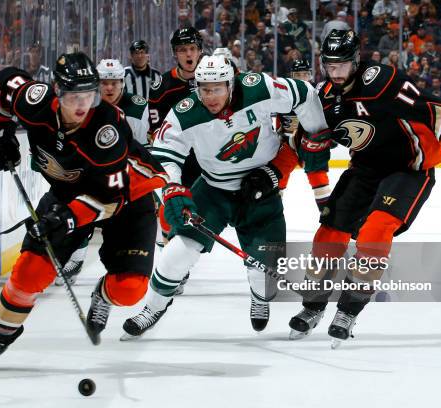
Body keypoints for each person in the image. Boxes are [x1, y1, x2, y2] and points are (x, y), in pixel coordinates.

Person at [0, 52, 168, 369]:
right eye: (73, 96)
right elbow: (1, 82)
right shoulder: (36, 102)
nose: (82, 105)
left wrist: (67, 219)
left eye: (89, 95)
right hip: (69, 193)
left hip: (127, 197)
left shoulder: (105, 130)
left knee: (129, 290)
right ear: (57, 90)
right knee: (29, 271)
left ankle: (103, 297)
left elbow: (109, 198)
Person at [287, 30, 441, 344]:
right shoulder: (323, 96)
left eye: (341, 64)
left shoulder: (381, 80)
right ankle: (312, 305)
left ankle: (349, 309)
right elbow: (304, 138)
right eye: (329, 65)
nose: (335, 71)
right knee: (329, 233)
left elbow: (434, 109)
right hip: (365, 168)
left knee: (375, 231)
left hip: (409, 169)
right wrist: (307, 144)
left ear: (355, 61)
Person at [121, 55, 329, 339]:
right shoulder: (185, 112)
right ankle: (153, 308)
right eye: (204, 88)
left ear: (231, 83)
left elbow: (304, 94)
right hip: (213, 190)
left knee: (263, 274)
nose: (210, 96)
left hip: (260, 190)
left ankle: (260, 296)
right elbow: (162, 157)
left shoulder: (259, 88)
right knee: (177, 252)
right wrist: (172, 189)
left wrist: (317, 135)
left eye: (217, 88)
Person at [53, 58, 153, 287]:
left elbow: (145, 147)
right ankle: (77, 256)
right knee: (80, 208)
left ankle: (118, 276)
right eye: (105, 83)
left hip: (125, 174)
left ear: (122, 83)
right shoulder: (82, 108)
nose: (109, 88)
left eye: (114, 83)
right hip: (92, 174)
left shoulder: (138, 106)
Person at [147, 27, 205, 294]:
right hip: (176, 159)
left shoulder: (214, 77)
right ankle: (172, 267)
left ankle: (177, 262)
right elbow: (155, 129)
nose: (189, 54)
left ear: (200, 50)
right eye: (183, 50)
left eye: (192, 48)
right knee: (171, 209)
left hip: (206, 156)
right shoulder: (163, 86)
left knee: (199, 211)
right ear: (175, 54)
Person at [276, 59, 332, 209]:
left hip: (312, 145)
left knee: (319, 179)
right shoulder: (282, 95)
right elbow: (276, 125)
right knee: (276, 178)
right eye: (298, 74)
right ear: (291, 76)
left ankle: (330, 218)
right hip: (288, 145)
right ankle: (270, 214)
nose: (301, 78)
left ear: (311, 75)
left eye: (305, 74)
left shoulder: (318, 95)